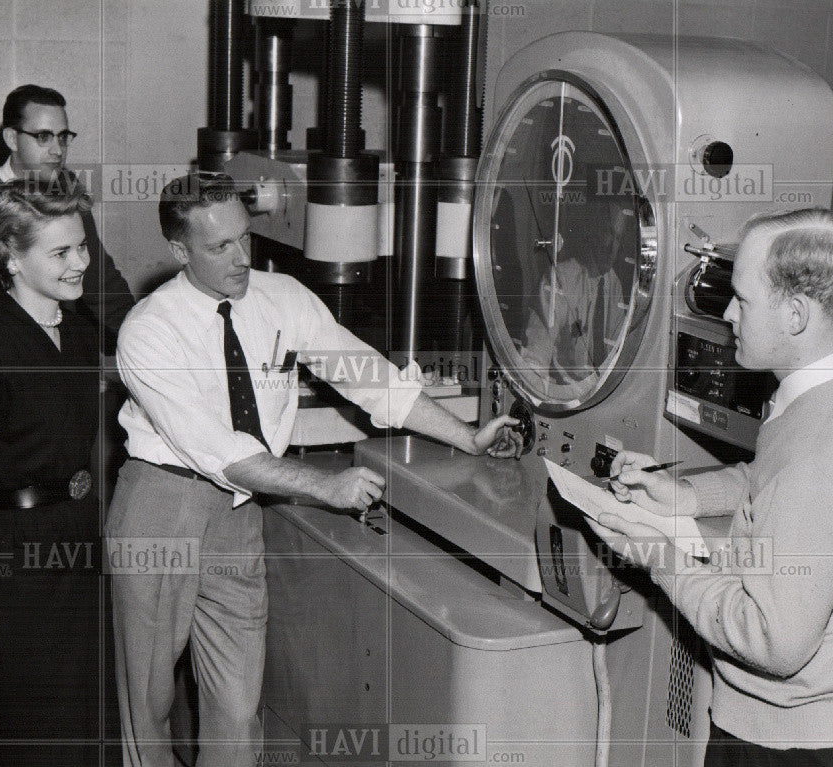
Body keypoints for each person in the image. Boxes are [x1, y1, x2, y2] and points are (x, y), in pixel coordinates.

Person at [107, 171, 523, 767]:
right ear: (179, 251)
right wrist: (327, 486)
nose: (241, 258)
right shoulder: (148, 330)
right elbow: (221, 452)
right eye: (219, 247)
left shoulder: (283, 298)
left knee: (236, 703)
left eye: (244, 238)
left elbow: (369, 375)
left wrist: (466, 437)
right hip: (161, 504)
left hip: (237, 512)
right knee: (148, 701)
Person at [592, 208, 833, 766]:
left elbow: (770, 640)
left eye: (743, 299)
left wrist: (658, 555)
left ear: (796, 315)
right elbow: (776, 482)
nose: (728, 313)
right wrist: (690, 497)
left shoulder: (820, 457)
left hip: (788, 747)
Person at [0, 180, 104, 765]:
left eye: (81, 246)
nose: (81, 262)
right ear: (11, 256)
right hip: (18, 564)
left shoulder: (80, 333)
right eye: (61, 253)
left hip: (81, 545)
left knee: (85, 724)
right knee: (39, 736)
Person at [0, 83, 134, 352]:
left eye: (63, 137)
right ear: (11, 139)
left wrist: (140, 333)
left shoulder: (66, 188)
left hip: (51, 342)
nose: (57, 150)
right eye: (43, 136)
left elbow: (99, 280)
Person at [520, 201, 633, 401]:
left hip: (602, 394)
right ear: (593, 232)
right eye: (608, 234)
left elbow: (618, 350)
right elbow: (536, 354)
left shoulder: (613, 281)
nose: (612, 247)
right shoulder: (560, 279)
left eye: (618, 238)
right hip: (564, 395)